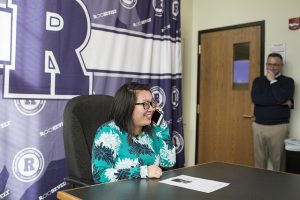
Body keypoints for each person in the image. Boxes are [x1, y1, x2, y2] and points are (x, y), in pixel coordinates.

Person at [91, 82, 176, 183]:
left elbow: (168, 162)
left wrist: (161, 125)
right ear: (127, 107)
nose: (152, 109)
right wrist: (144, 171)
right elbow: (99, 175)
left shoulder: (152, 131)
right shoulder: (108, 133)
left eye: (152, 103)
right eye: (145, 104)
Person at [251, 52, 295, 171]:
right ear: (266, 65)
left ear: (282, 65)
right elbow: (256, 99)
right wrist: (283, 102)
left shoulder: (288, 81)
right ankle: (259, 187)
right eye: (269, 64)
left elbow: (280, 98)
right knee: (259, 162)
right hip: (258, 126)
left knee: (279, 163)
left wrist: (273, 81)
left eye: (276, 64)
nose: (272, 67)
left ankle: (279, 189)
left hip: (279, 128)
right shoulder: (257, 81)